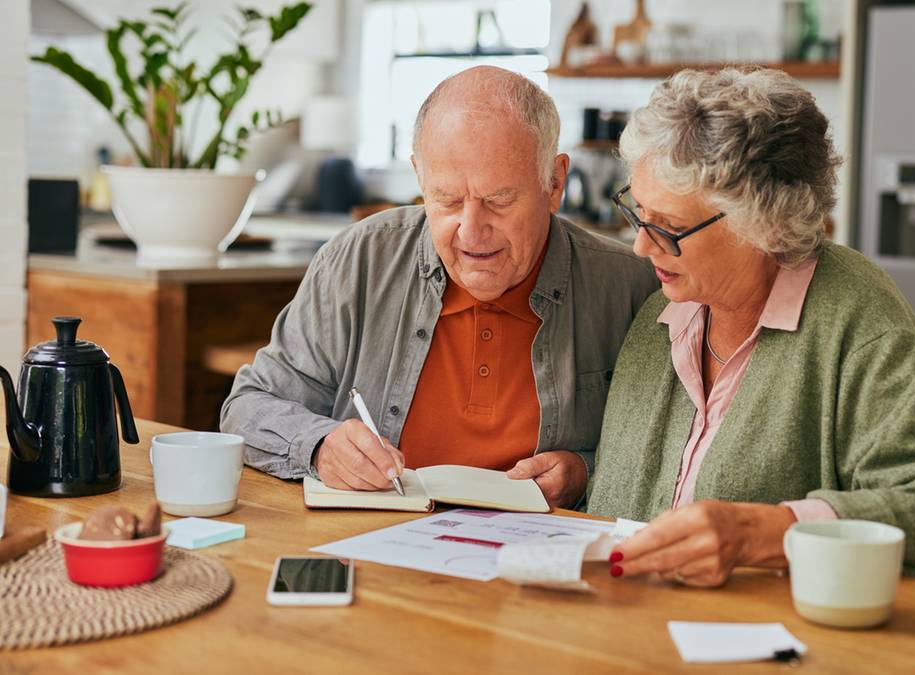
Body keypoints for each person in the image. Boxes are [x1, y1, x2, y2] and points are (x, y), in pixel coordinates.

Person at [588, 68, 915, 587]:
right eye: (639, 213)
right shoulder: (662, 315)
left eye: (670, 228)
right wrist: (580, 474)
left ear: (763, 224)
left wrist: (773, 532)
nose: (642, 247)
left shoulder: (855, 315)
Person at [221, 67, 658, 507]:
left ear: (555, 183)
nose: (471, 232)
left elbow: (674, 462)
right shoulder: (359, 259)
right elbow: (248, 407)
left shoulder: (630, 286)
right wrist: (319, 445)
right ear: (419, 178)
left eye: (499, 200)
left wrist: (587, 470)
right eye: (447, 199)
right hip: (374, 541)